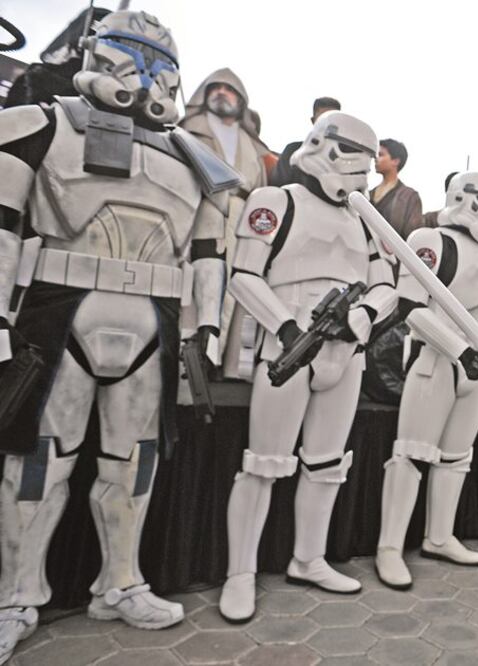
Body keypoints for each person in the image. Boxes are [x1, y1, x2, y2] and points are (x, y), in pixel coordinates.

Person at [0, 11, 230, 658]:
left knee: (136, 461)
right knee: (39, 459)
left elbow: (209, 252)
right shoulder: (41, 123)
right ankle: (16, 595)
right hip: (59, 307)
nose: (142, 77)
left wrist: (203, 329)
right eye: (126, 59)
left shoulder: (196, 160)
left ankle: (121, 580)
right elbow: (2, 224)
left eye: (155, 65)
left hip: (151, 320)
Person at [217, 112, 397, 623]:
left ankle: (308, 558)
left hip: (347, 350)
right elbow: (244, 276)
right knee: (265, 464)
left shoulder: (365, 218)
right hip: (290, 345)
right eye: (352, 154)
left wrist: (361, 316)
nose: (361, 168)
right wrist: (286, 328)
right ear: (324, 146)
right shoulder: (277, 201)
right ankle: (240, 573)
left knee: (326, 464)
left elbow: (386, 285)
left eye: (369, 157)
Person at [375, 172, 478, 590]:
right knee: (412, 454)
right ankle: (390, 548)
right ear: (463, 198)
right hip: (437, 358)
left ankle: (439, 537)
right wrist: (460, 350)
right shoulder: (430, 240)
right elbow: (412, 308)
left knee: (457, 458)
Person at [180, 68, 276, 379]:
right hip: (199, 207)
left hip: (241, 212)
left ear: (241, 99)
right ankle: (193, 358)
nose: (222, 93)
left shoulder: (252, 143)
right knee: (196, 284)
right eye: (215, 88)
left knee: (239, 285)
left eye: (229, 89)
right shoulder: (189, 129)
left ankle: (226, 362)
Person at [269, 96, 341, 187]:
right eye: (322, 121)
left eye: (333, 121)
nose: (327, 126)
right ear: (313, 120)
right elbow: (278, 187)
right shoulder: (292, 151)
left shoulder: (346, 159)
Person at [372, 138, 424, 240]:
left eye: (381, 155)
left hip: (393, 254)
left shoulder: (409, 197)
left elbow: (412, 238)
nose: (376, 158)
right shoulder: (367, 194)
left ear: (395, 161)